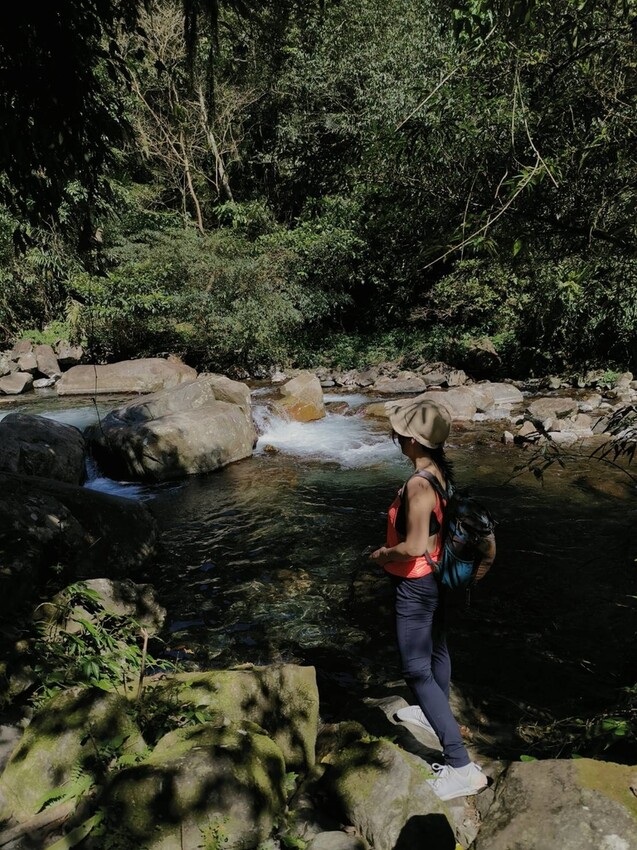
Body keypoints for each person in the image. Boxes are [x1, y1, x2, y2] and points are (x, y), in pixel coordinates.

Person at [369, 397, 488, 802]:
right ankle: (429, 709)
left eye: (400, 432)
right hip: (436, 577)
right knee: (437, 649)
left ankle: (460, 766)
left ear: (414, 442)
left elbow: (415, 546)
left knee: (415, 668)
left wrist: (383, 555)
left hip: (416, 583)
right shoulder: (438, 473)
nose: (395, 435)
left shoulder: (419, 485)